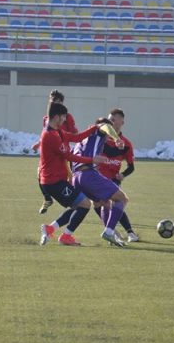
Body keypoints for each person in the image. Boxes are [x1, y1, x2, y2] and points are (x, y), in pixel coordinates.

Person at [39, 101, 107, 247]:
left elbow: (76, 138)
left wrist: (94, 128)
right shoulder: (50, 136)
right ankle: (66, 236)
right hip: (53, 183)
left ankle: (50, 228)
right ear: (57, 117)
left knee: (78, 205)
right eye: (63, 117)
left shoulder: (56, 131)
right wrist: (92, 160)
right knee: (85, 204)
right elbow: (70, 157)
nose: (65, 120)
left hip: (56, 181)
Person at [71, 117, 129, 248]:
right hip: (88, 175)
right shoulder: (99, 130)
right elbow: (105, 127)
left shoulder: (83, 139)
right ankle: (109, 231)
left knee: (102, 203)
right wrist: (117, 138)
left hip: (77, 177)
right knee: (122, 199)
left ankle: (111, 232)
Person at [97, 108, 139, 242]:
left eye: (114, 119)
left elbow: (131, 166)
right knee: (99, 204)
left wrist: (123, 174)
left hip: (113, 179)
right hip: (97, 178)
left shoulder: (126, 144)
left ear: (122, 122)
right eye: (109, 119)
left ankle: (128, 233)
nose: (110, 122)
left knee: (116, 203)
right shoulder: (101, 139)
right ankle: (113, 231)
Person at [34, 89, 77, 214]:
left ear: (62, 103)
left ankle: (77, 201)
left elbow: (75, 133)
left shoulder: (67, 117)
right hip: (50, 154)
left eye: (56, 101)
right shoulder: (46, 118)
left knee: (69, 179)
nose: (53, 102)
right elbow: (46, 135)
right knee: (40, 174)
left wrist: (63, 136)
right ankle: (47, 199)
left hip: (63, 154)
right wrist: (38, 143)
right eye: (51, 100)